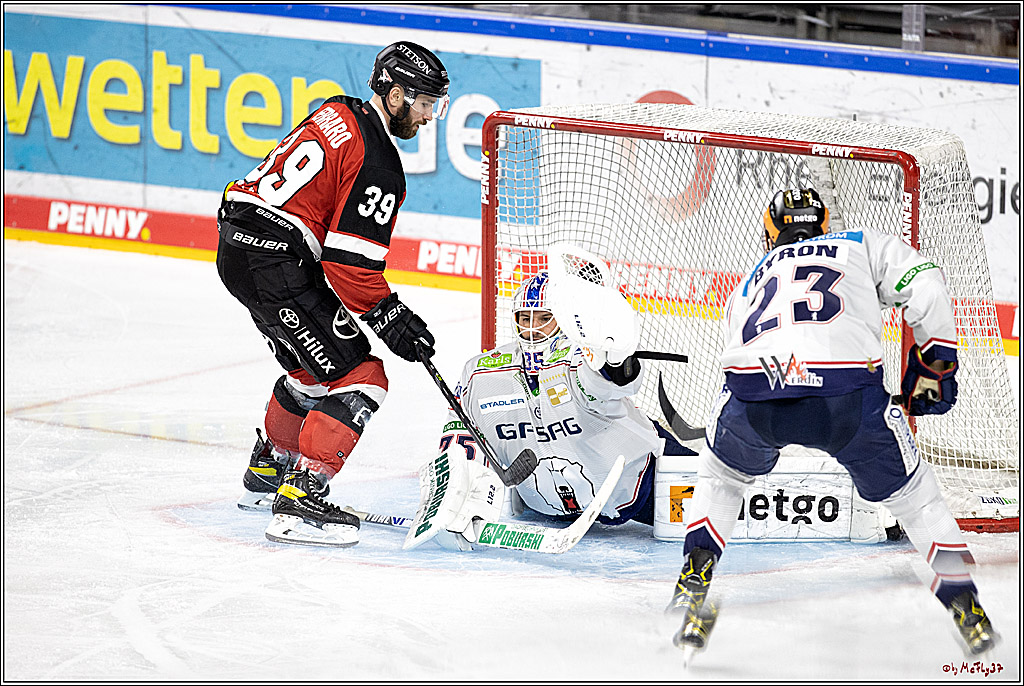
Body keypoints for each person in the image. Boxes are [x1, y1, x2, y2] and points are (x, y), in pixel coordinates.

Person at [666, 188, 998, 656]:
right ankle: (967, 609)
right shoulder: (861, 243)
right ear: (825, 225)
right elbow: (927, 287)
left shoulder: (750, 280)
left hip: (755, 395)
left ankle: (693, 584)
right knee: (917, 501)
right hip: (846, 398)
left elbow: (734, 359)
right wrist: (935, 363)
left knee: (720, 476)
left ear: (769, 233)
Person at [215, 41, 450, 547]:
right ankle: (301, 500)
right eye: (424, 103)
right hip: (275, 262)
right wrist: (393, 319)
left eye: (435, 104)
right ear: (393, 95)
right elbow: (349, 265)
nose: (429, 116)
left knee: (313, 367)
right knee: (361, 376)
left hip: (238, 248)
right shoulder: (381, 166)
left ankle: (268, 473)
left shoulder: (337, 110)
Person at [405, 271, 696, 552]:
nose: (533, 327)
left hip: (637, 487)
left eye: (545, 318)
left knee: (727, 503)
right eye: (525, 317)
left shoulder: (580, 357)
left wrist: (617, 363)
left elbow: (608, 383)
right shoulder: (480, 373)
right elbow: (458, 444)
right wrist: (452, 504)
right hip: (546, 507)